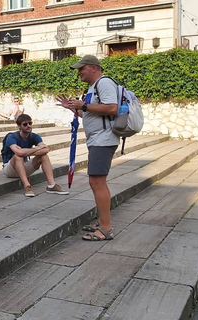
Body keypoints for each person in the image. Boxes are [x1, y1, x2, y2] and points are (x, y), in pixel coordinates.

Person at [56, 55, 119, 242]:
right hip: (98, 140)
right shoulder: (93, 87)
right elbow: (91, 113)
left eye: (81, 69)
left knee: (96, 182)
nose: (79, 73)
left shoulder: (104, 83)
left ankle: (106, 229)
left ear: (93, 67)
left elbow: (112, 108)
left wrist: (83, 105)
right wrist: (74, 109)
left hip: (103, 139)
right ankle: (102, 222)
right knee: (97, 182)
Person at [2, 113, 69, 197]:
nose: (28, 126)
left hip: (24, 166)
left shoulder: (34, 136)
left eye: (30, 123)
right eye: (25, 124)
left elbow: (46, 149)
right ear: (19, 126)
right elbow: (19, 152)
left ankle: (51, 185)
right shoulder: (11, 137)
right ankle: (27, 186)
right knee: (18, 156)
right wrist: (36, 149)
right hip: (9, 169)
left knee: (43, 156)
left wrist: (27, 151)